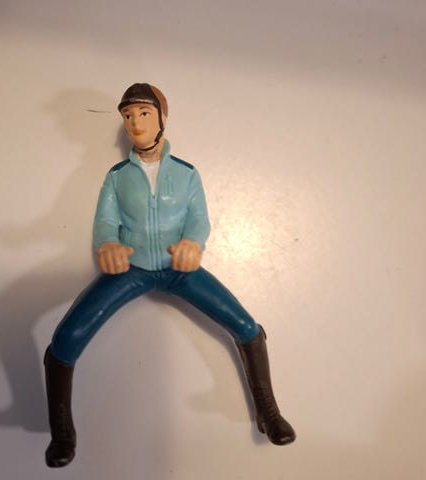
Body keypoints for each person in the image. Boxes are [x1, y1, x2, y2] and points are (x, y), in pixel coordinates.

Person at [44, 83, 296, 468]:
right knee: (68, 336)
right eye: (128, 116)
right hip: (132, 270)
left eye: (144, 114)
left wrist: (193, 243)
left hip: (180, 269)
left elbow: (199, 219)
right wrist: (108, 245)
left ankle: (269, 411)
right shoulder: (117, 177)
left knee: (245, 325)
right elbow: (106, 221)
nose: (135, 123)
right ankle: (62, 432)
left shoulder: (186, 174)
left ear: (162, 117)